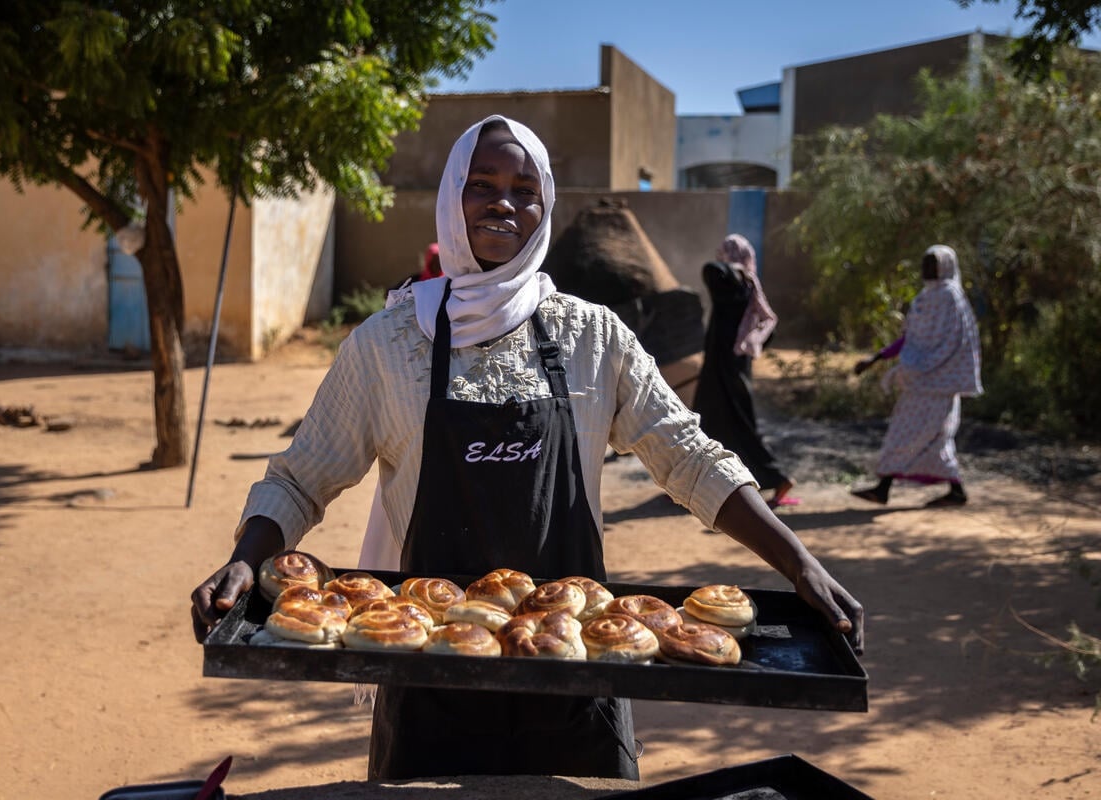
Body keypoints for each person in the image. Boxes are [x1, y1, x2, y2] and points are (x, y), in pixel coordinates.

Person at [191, 115, 863, 781]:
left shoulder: (593, 339)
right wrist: (246, 560)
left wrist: (797, 562)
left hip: (576, 670)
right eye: (481, 183)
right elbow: (302, 477)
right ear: (453, 197)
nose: (503, 202)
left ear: (545, 209)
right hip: (428, 676)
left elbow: (688, 456)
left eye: (524, 188)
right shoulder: (388, 344)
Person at [851, 244, 983, 508]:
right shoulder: (925, 297)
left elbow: (954, 343)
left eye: (932, 263)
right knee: (922, 437)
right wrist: (876, 358)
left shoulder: (950, 298)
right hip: (918, 382)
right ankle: (949, 490)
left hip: (940, 383)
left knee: (924, 436)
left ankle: (885, 488)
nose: (926, 268)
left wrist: (927, 365)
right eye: (925, 262)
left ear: (945, 266)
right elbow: (910, 339)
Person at [691, 234, 796, 508]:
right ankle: (706, 482)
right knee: (710, 421)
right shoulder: (737, 281)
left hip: (730, 365)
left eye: (724, 251)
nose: (718, 256)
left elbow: (711, 270)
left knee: (741, 424)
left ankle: (777, 477)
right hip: (720, 365)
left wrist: (735, 269)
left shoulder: (738, 281)